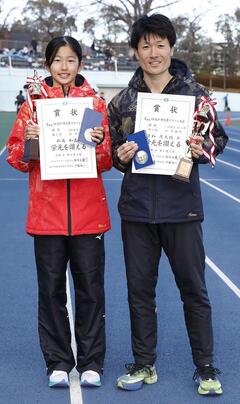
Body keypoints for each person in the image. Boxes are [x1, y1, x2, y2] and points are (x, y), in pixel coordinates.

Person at [107, 14, 228, 396]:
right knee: (139, 292)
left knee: (194, 289)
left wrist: (201, 147)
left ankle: (205, 367)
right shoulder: (124, 100)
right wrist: (121, 154)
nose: (153, 52)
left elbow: (217, 142)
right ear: (135, 51)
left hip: (182, 209)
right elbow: (112, 150)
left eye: (160, 45)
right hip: (137, 210)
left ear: (171, 48)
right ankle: (144, 363)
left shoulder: (196, 95)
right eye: (145, 46)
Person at [6, 36, 112, 389]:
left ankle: (92, 360)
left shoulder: (95, 104)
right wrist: (32, 140)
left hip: (87, 215)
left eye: (71, 60)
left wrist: (97, 145)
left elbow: (106, 161)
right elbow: (17, 158)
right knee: (50, 290)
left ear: (81, 64)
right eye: (57, 60)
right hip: (47, 214)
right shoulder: (33, 106)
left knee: (90, 290)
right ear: (48, 64)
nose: (64, 67)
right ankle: (57, 361)